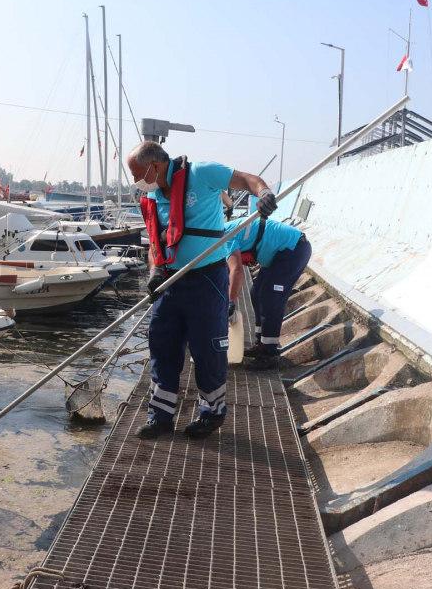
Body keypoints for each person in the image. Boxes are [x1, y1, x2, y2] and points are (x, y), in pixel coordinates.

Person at [128, 141, 277, 440]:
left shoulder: (203, 173)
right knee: (162, 344)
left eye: (137, 174)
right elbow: (154, 244)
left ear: (154, 167)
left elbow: (248, 180)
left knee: (208, 349)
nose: (136, 183)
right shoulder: (154, 197)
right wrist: (155, 270)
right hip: (170, 281)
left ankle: (212, 413)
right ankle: (161, 416)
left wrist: (264, 194)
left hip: (206, 280)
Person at [223, 214, 312, 370]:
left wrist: (231, 302)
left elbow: (237, 271)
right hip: (279, 251)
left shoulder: (224, 239)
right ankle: (261, 344)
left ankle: (269, 354)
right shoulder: (218, 236)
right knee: (256, 292)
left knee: (270, 298)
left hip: (293, 249)